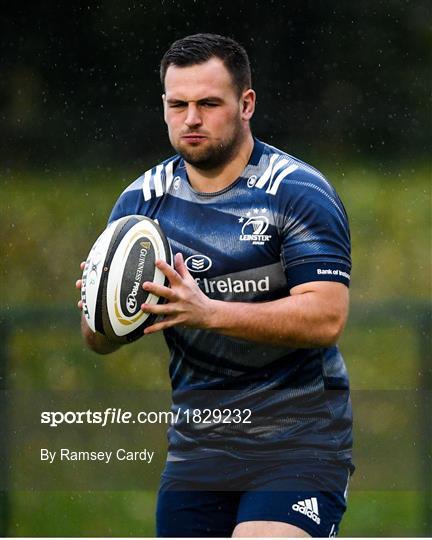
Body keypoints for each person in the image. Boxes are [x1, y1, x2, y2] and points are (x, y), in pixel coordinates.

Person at [77, 33, 353, 538]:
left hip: (298, 442)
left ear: (246, 104)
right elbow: (96, 341)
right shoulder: (141, 204)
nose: (192, 119)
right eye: (177, 104)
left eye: (208, 103)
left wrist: (210, 311)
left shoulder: (297, 192)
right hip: (199, 446)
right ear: (163, 106)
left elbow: (326, 317)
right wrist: (101, 304)